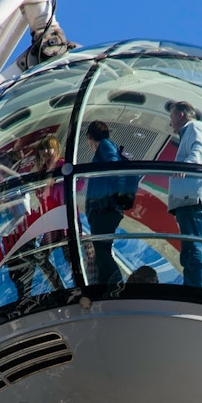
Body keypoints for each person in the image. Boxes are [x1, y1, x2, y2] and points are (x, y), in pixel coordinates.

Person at [10, 134, 65, 302]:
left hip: (62, 219)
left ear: (56, 149)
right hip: (50, 221)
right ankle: (60, 288)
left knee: (67, 254)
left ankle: (64, 289)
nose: (46, 152)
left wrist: (57, 178)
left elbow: (79, 184)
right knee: (41, 256)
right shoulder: (41, 172)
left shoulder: (62, 165)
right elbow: (41, 196)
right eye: (43, 149)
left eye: (49, 148)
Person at [167, 101, 202, 287]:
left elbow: (198, 150)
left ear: (180, 115)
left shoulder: (195, 128)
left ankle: (201, 290)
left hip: (192, 200)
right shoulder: (192, 131)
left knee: (193, 247)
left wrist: (185, 166)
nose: (170, 123)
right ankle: (193, 287)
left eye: (171, 117)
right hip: (192, 200)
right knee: (190, 248)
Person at [83, 120, 127, 285]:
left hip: (105, 208)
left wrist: (116, 196)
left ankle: (116, 287)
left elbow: (115, 168)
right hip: (104, 208)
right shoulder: (106, 147)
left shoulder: (106, 146)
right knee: (102, 251)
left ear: (89, 136)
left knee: (102, 251)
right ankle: (107, 286)